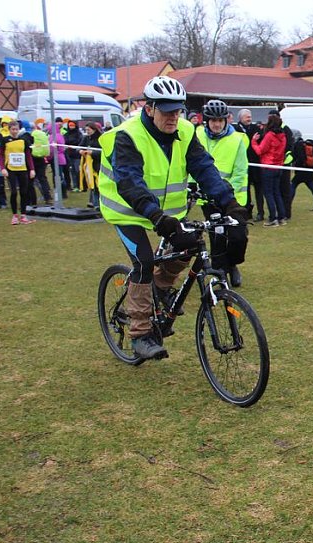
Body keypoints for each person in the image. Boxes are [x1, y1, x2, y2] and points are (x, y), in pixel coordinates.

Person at [98, 76, 247, 360]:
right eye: (166, 111)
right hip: (126, 209)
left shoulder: (186, 131)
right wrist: (156, 216)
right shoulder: (127, 135)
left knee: (190, 245)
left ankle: (159, 288)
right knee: (143, 260)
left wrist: (229, 202)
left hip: (167, 212)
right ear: (150, 107)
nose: (173, 117)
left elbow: (204, 168)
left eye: (177, 111)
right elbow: (129, 183)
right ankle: (140, 334)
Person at [195, 99, 250, 287]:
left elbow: (241, 170)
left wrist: (226, 192)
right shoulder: (198, 137)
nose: (217, 124)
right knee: (217, 235)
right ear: (207, 121)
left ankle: (233, 264)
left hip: (232, 198)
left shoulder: (237, 140)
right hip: (208, 198)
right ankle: (220, 272)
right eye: (213, 121)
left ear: (226, 121)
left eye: (220, 120)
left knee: (237, 236)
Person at [251, 113, 288, 227]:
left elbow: (260, 151)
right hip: (278, 166)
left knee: (268, 193)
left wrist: (253, 141)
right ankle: (281, 217)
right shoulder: (283, 136)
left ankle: (273, 218)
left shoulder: (269, 136)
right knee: (276, 192)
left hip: (268, 167)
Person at [0, 120, 36, 225]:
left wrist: (32, 169)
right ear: (9, 129)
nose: (15, 131)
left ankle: (23, 215)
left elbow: (28, 156)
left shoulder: (23, 140)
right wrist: (3, 168)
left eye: (16, 129)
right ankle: (15, 215)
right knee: (14, 192)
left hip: (22, 169)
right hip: (10, 169)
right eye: (13, 129)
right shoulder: (5, 140)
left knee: (24, 192)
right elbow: (1, 155)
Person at [233, 108, 263, 221]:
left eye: (250, 117)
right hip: (243, 164)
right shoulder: (236, 129)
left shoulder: (256, 128)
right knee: (246, 190)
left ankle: (260, 212)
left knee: (259, 189)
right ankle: (247, 212)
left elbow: (259, 143)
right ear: (241, 118)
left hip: (256, 164)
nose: (249, 119)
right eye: (247, 117)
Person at [290, 129, 313, 212]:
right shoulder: (306, 144)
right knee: (311, 186)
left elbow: (298, 157)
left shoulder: (298, 145)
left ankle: (288, 204)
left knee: (293, 184)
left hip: (302, 169)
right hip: (309, 169)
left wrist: (294, 162)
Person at [79, 122, 103, 209]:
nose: (87, 132)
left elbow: (103, 151)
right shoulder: (85, 138)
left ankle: (97, 204)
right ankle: (93, 202)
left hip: (99, 164)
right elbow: (79, 147)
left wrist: (93, 153)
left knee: (98, 184)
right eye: (86, 130)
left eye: (88, 130)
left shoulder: (101, 138)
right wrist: (80, 151)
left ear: (94, 129)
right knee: (91, 183)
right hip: (88, 165)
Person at [30, 121, 53, 205]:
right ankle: (48, 197)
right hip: (42, 158)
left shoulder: (29, 135)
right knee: (42, 178)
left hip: (32, 158)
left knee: (30, 180)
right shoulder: (42, 133)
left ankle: (32, 200)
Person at [64, 120, 83, 192]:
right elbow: (65, 141)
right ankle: (75, 185)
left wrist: (71, 144)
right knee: (72, 171)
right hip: (69, 155)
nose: (71, 127)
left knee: (78, 171)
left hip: (77, 155)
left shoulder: (79, 134)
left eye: (72, 125)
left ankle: (80, 185)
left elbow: (79, 142)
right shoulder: (66, 134)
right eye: (70, 125)